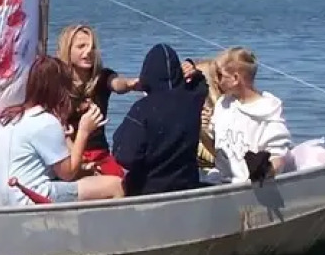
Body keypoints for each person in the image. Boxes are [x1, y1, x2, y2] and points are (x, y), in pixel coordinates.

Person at [0, 55, 114, 206]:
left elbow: (60, 166)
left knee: (89, 179)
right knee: (114, 185)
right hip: (27, 198)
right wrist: (84, 131)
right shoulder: (46, 122)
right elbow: (68, 173)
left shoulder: (11, 117)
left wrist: (68, 140)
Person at [111, 43, 208, 197]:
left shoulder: (142, 109)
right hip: (187, 185)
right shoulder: (193, 100)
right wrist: (192, 68)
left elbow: (124, 156)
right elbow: (202, 83)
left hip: (148, 190)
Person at [56, 23, 136, 196]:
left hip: (100, 154)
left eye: (92, 47)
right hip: (69, 154)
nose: (88, 52)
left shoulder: (102, 77)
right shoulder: (58, 83)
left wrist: (131, 84)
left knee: (124, 185)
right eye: (81, 47)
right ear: (67, 50)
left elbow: (117, 84)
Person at [208, 47, 293, 184]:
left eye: (220, 75)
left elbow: (278, 155)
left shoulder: (268, 109)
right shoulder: (223, 104)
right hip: (224, 181)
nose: (216, 81)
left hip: (253, 184)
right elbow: (214, 145)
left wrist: (266, 170)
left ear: (235, 78)